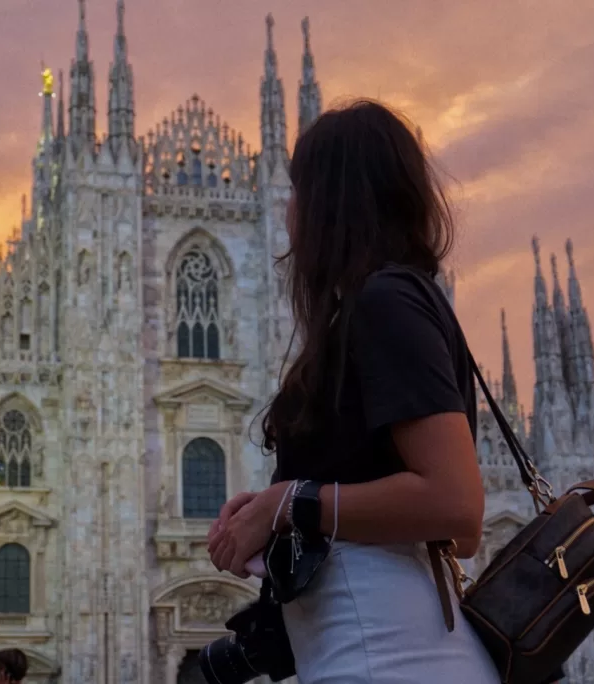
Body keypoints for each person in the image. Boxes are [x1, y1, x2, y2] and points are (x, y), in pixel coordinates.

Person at [206, 99, 499, 683]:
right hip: (366, 648)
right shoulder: (372, 308)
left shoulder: (385, 301)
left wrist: (289, 502)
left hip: (388, 656)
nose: (285, 209)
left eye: (296, 190)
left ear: (333, 201)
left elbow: (457, 507)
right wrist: (271, 517)